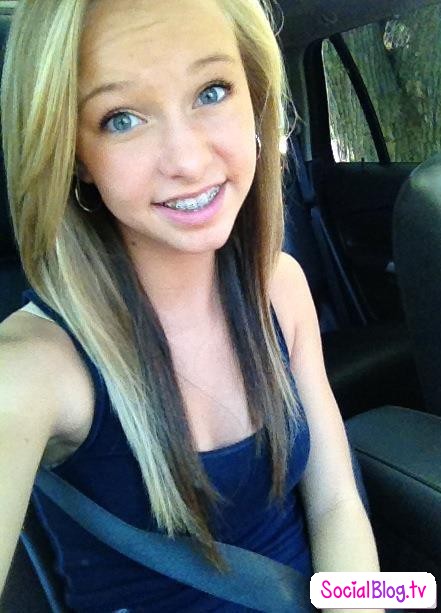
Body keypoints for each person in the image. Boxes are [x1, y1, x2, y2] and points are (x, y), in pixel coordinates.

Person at [0, 0, 382, 611]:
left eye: (212, 91)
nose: (188, 160)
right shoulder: (31, 372)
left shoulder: (281, 287)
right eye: (121, 119)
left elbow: (336, 503)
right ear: (73, 154)